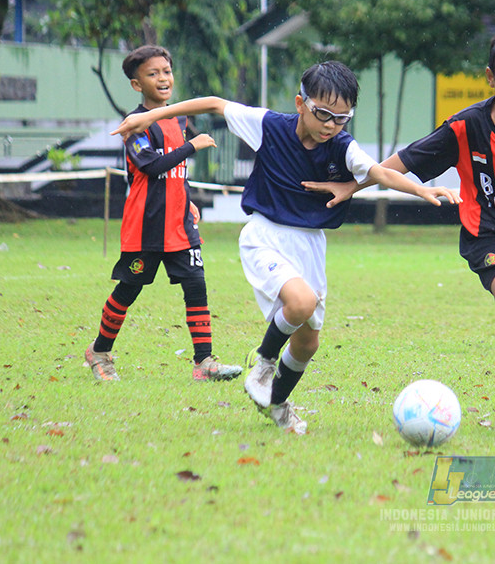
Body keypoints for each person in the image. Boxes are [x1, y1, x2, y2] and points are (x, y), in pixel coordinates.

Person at [112, 61, 460, 435]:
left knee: (307, 343)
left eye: (342, 118)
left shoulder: (342, 147)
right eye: (323, 114)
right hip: (264, 236)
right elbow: (214, 103)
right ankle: (263, 360)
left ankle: (276, 403)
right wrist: (150, 116)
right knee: (301, 302)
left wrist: (421, 189)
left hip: (310, 245)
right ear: (300, 103)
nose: (331, 125)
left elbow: (379, 172)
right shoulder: (269, 126)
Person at [310, 26, 495, 427]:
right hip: (488, 233)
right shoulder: (465, 126)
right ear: (490, 77)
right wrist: (352, 185)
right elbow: (403, 162)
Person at [86, 45, 242, 383]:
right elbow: (153, 166)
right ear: (136, 84)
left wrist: (187, 199)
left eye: (167, 71)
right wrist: (192, 145)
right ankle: (99, 352)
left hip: (180, 224)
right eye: (153, 73)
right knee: (129, 289)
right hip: (146, 226)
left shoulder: (179, 118)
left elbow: (175, 171)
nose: (163, 78)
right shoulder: (134, 125)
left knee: (196, 285)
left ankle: (204, 362)